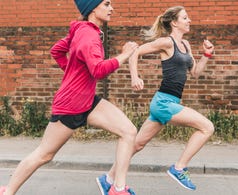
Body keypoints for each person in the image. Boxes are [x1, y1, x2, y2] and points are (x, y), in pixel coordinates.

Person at [0, 0, 138, 195]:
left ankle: (117, 188)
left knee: (129, 132)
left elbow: (56, 51)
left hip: (88, 100)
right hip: (71, 105)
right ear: (92, 8)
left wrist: (72, 74)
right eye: (106, 4)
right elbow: (98, 70)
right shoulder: (88, 36)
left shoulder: (82, 31)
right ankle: (8, 191)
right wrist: (125, 55)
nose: (111, 8)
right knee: (44, 154)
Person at [96, 5, 215, 193]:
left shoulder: (186, 45)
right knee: (207, 127)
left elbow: (195, 72)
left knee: (137, 144)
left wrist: (207, 54)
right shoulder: (166, 42)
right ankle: (179, 168)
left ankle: (108, 178)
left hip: (170, 102)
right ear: (174, 23)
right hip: (163, 104)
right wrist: (135, 77)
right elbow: (135, 52)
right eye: (185, 18)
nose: (189, 20)